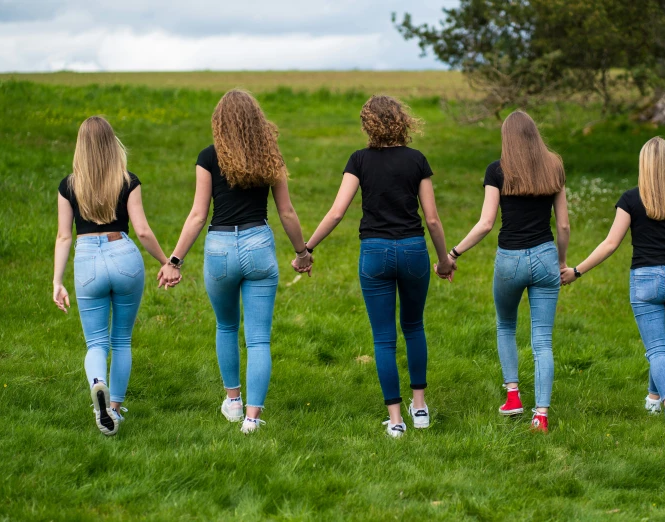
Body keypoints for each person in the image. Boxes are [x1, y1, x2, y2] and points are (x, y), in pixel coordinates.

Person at [157, 89, 311, 435]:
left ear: (219, 123)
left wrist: (174, 260)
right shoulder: (270, 155)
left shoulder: (208, 157)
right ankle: (253, 420)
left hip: (220, 247)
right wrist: (302, 253)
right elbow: (286, 212)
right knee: (258, 339)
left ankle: (233, 401)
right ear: (257, 121)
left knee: (226, 326)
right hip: (259, 244)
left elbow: (198, 215)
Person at [302, 95, 454, 438]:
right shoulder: (417, 160)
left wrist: (307, 249)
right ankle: (420, 408)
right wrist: (443, 260)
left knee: (384, 339)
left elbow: (337, 212)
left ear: (367, 124)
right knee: (414, 327)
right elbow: (431, 218)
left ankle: (396, 420)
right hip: (414, 250)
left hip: (374, 253)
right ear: (402, 121)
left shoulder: (359, 160)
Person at [561, 136, 665, 432]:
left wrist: (577, 271)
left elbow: (610, 243)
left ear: (644, 164)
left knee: (656, 349)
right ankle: (654, 398)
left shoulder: (630, 199)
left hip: (646, 282)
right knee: (664, 342)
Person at [445, 111, 569, 433]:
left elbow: (486, 223)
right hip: (545, 256)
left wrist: (454, 252)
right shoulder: (554, 166)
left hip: (509, 260)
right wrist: (561, 261)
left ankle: (513, 397)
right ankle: (540, 416)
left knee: (505, 325)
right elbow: (564, 224)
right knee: (542, 340)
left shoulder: (497, 170)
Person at [53, 116, 170, 436]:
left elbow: (64, 237)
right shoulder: (128, 180)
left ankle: (97, 385)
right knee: (121, 340)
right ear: (111, 144)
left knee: (96, 342)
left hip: (88, 260)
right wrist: (167, 261)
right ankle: (114, 410)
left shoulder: (69, 185)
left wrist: (57, 281)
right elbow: (143, 231)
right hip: (124, 257)